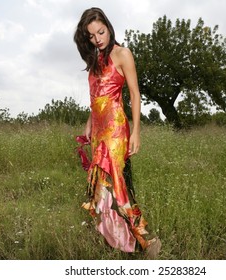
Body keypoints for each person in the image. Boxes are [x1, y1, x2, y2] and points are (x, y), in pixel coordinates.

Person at [74, 7, 161, 258]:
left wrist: (136, 132)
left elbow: (134, 93)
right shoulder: (93, 61)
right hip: (99, 132)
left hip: (116, 130)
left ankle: (147, 240)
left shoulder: (123, 54)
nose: (97, 38)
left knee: (116, 185)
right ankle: (118, 240)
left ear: (109, 27)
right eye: (91, 36)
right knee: (102, 188)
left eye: (101, 32)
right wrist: (89, 125)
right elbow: (96, 99)